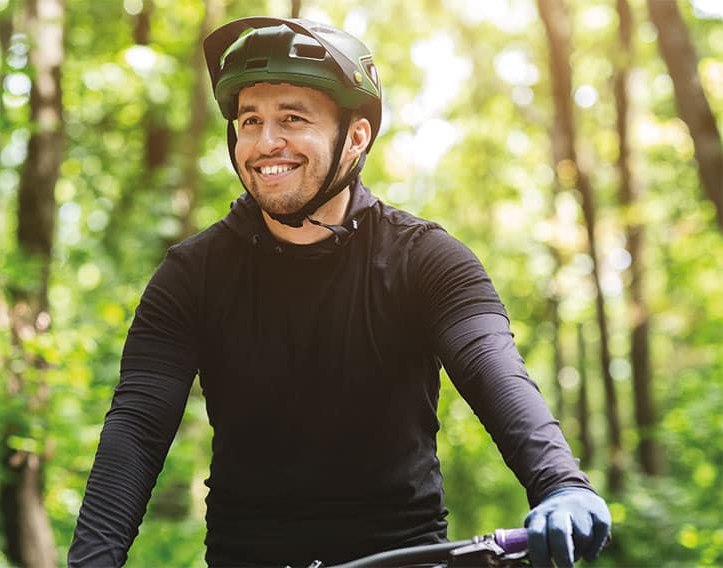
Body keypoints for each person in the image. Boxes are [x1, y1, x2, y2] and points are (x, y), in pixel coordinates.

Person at [68, 16, 611, 568]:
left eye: (292, 118)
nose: (264, 142)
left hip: (406, 556)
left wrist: (561, 484)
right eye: (250, 120)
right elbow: (136, 430)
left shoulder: (425, 259)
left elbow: (494, 370)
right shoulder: (192, 274)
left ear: (356, 136)